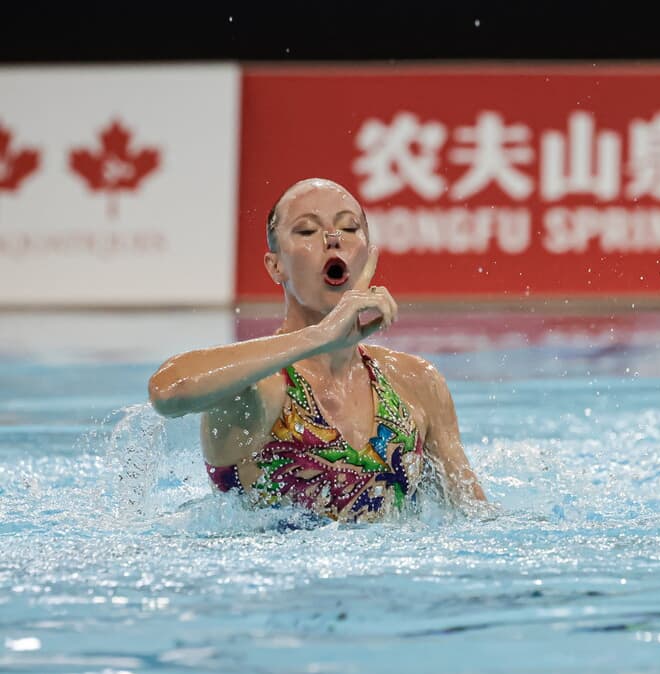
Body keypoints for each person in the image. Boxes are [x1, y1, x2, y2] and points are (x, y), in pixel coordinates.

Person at [148, 178, 488, 522]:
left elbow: (476, 519)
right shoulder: (261, 389)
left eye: (349, 227)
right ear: (275, 265)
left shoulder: (415, 382)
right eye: (307, 232)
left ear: (368, 253)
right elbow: (169, 390)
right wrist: (319, 336)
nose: (333, 240)